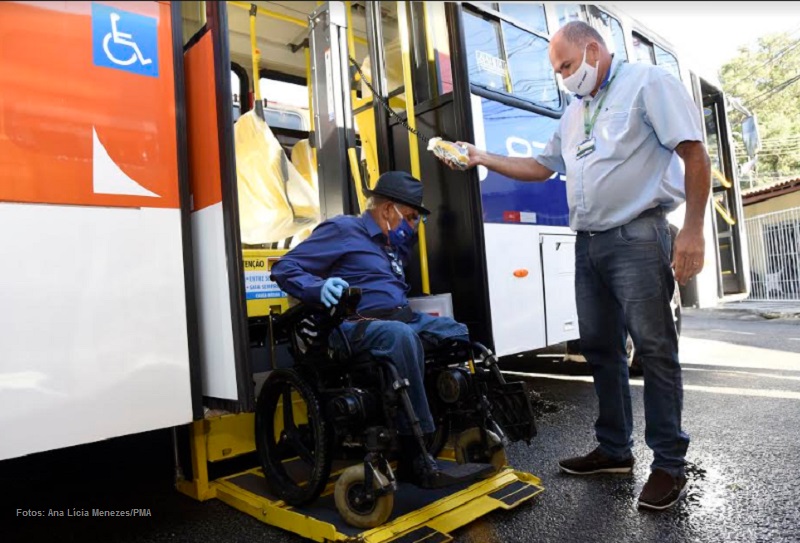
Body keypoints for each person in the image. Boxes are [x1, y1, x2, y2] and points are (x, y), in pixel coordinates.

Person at [437, 21, 710, 510]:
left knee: (654, 351)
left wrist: (692, 230)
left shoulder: (648, 83)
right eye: (558, 70)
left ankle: (669, 463)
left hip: (638, 234)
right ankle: (613, 450)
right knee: (601, 350)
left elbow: (694, 153)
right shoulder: (574, 112)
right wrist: (481, 157)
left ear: (593, 49)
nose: (564, 77)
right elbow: (541, 167)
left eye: (567, 65)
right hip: (588, 242)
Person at [270, 170, 486, 489]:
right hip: (353, 326)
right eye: (410, 218)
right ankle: (416, 450)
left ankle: (475, 422)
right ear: (387, 210)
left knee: (459, 333)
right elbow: (284, 267)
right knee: (400, 337)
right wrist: (318, 288)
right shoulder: (344, 229)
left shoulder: (390, 245)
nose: (413, 227)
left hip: (400, 319)